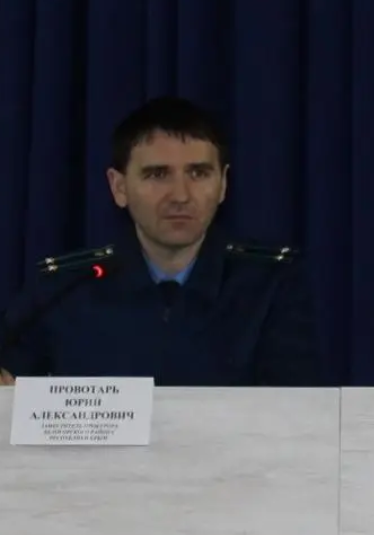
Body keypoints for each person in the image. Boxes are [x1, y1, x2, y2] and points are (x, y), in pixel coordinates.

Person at [0, 96, 322, 386]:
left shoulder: (270, 285)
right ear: (119, 187)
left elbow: (299, 415)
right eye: (157, 174)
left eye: (198, 173)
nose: (180, 196)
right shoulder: (64, 289)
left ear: (223, 183)